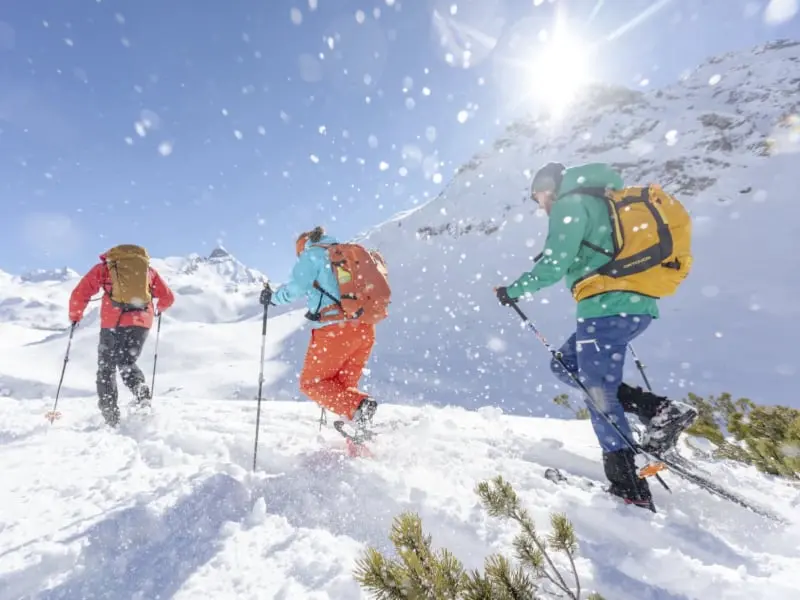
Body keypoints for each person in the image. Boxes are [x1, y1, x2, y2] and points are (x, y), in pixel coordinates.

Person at [494, 162, 697, 511]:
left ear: (550, 189)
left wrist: (513, 290)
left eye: (539, 195)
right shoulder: (600, 201)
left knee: (597, 392)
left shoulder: (570, 205)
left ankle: (628, 485)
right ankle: (657, 410)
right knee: (566, 366)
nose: (539, 204)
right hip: (633, 306)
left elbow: (554, 264)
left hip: (605, 308)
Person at [261, 226, 379, 432]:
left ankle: (360, 406)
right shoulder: (347, 254)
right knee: (342, 390)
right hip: (364, 329)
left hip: (335, 331)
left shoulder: (311, 255)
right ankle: (360, 446)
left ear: (302, 246)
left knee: (312, 383)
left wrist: (272, 298)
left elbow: (295, 289)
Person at [69, 244, 175, 427]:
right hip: (141, 323)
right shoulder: (148, 271)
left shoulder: (105, 268)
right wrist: (159, 308)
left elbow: (81, 293)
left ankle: (110, 417)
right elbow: (167, 297)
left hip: (113, 323)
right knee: (126, 361)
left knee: (106, 368)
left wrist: (75, 316)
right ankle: (139, 389)